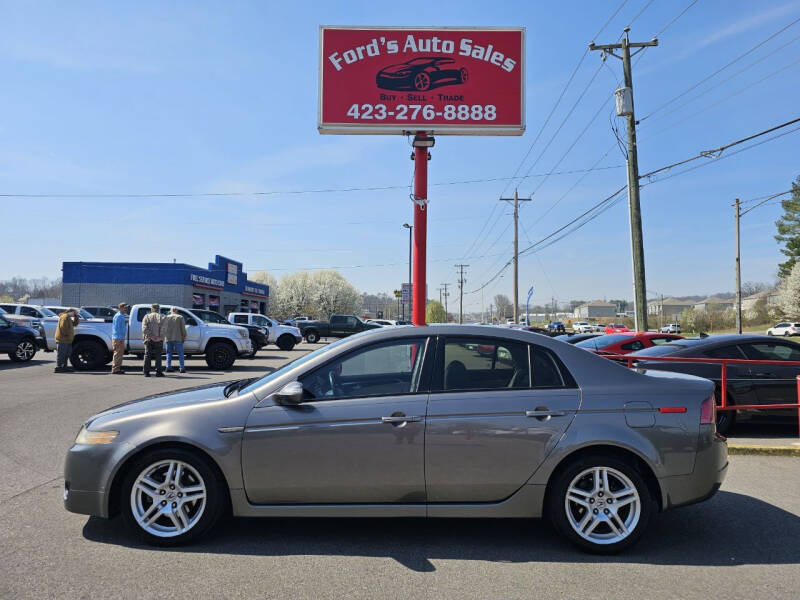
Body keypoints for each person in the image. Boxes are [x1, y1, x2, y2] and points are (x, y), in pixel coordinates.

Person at [141, 304, 166, 377]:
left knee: (147, 355)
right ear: (158, 309)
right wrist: (158, 337)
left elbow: (144, 329)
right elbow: (164, 329)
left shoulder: (146, 316)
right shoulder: (162, 317)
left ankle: (146, 372)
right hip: (159, 339)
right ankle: (158, 372)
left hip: (148, 339)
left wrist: (151, 336)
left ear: (151, 309)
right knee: (158, 356)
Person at [54, 308, 80, 373]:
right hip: (63, 339)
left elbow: (75, 324)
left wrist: (76, 316)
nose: (75, 314)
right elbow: (63, 327)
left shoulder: (69, 317)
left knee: (67, 354)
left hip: (68, 340)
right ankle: (58, 367)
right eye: (74, 313)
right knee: (62, 354)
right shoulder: (65, 317)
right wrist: (67, 335)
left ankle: (64, 367)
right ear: (70, 312)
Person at [164, 306, 187, 373]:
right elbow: (183, 328)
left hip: (168, 338)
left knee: (168, 353)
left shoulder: (166, 317)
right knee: (180, 354)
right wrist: (184, 336)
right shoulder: (180, 317)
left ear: (170, 311)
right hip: (178, 338)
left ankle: (168, 367)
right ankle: (182, 368)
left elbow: (164, 328)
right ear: (176, 311)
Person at [111, 303, 129, 374]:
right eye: (125, 308)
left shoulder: (120, 315)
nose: (126, 309)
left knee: (119, 354)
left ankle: (117, 368)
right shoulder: (119, 316)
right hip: (118, 338)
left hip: (118, 338)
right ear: (120, 308)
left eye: (127, 308)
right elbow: (117, 328)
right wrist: (120, 338)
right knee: (118, 354)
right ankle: (115, 369)